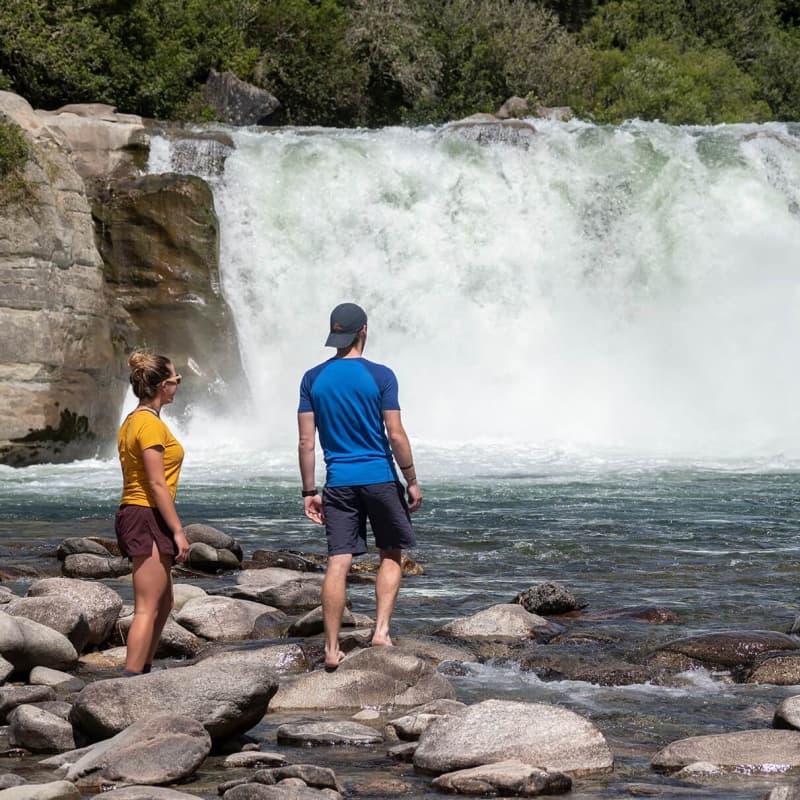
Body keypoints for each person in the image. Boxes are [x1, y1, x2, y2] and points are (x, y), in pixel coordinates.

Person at [298, 302, 422, 671]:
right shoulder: (381, 376)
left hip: (338, 482)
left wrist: (309, 492)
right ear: (363, 331)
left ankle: (332, 649)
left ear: (335, 334)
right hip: (381, 478)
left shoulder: (312, 378)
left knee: (338, 561)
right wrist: (411, 479)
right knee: (390, 553)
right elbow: (395, 434)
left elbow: (306, 443)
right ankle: (381, 631)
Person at [115, 351, 190, 676]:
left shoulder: (137, 420)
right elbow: (156, 483)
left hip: (144, 513)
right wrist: (178, 531)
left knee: (163, 604)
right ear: (162, 386)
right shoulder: (146, 424)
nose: (178, 384)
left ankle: (143, 668)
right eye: (176, 379)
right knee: (146, 607)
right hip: (145, 513)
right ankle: (129, 682)